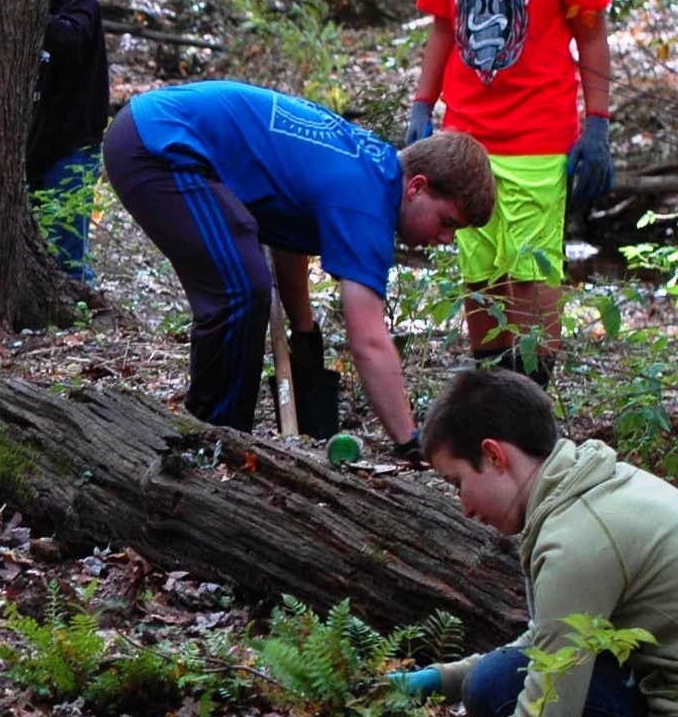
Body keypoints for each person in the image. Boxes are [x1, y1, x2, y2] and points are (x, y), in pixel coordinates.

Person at [395, 367, 678, 717]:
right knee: (492, 682)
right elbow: (542, 645)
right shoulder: (583, 484)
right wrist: (430, 682)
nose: (464, 507)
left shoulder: (578, 539)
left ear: (495, 455)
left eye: (458, 483)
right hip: (668, 699)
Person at [102, 80, 496, 453]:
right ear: (417, 187)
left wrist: (304, 332)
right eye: (447, 222)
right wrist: (408, 439)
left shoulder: (373, 165)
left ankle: (221, 432)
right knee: (239, 290)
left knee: (246, 274)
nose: (446, 239)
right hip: (158, 147)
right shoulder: (364, 203)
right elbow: (369, 341)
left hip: (156, 130)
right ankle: (210, 437)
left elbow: (289, 233)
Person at [407, 0, 613, 385]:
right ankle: (491, 392)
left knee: (531, 271)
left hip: (537, 139)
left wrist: (597, 125)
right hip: (465, 137)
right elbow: (444, 26)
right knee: (479, 268)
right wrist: (423, 105)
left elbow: (591, 35)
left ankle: (531, 396)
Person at [29, 0, 110, 287]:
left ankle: (82, 318)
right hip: (32, 149)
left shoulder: (79, 2)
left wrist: (26, 16)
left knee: (68, 257)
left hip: (71, 150)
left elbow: (70, 39)